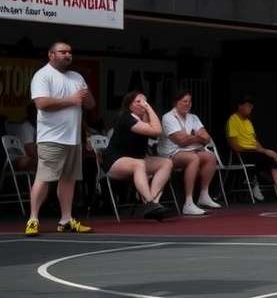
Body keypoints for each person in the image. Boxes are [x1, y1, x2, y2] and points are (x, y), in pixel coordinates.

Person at [25, 41, 95, 236]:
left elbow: (90, 105)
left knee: (69, 179)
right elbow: (42, 103)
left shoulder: (76, 77)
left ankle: (65, 220)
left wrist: (86, 95)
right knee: (44, 178)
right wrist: (71, 100)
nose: (67, 55)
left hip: (73, 138)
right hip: (51, 137)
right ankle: (33, 219)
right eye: (62, 52)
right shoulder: (43, 75)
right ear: (51, 54)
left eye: (70, 52)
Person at [102, 91, 172, 220]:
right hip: (115, 161)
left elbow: (156, 131)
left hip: (137, 161)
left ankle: (153, 203)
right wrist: (149, 108)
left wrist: (147, 110)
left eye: (145, 101)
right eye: (138, 102)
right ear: (130, 106)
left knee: (166, 163)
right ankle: (149, 202)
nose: (143, 105)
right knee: (139, 164)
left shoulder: (143, 120)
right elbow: (156, 130)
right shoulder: (127, 118)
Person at [158, 90, 222, 214]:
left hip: (188, 150)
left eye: (190, 101)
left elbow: (207, 138)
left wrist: (191, 137)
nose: (188, 104)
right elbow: (181, 141)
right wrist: (198, 137)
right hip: (170, 154)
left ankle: (204, 195)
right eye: (184, 101)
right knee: (193, 158)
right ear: (176, 103)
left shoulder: (193, 117)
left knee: (210, 157)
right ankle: (188, 203)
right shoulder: (168, 117)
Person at [226, 97, 277, 201]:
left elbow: (255, 141)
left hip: (255, 153)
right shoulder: (233, 120)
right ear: (240, 106)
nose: (251, 109)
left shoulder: (248, 122)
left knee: (271, 155)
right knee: (272, 159)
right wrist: (260, 151)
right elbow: (234, 146)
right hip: (243, 154)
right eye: (248, 106)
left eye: (251, 107)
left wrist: (263, 150)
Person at [7, 102, 38, 172]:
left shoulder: (37, 127)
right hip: (16, 160)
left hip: (29, 158)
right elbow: (31, 151)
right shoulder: (26, 126)